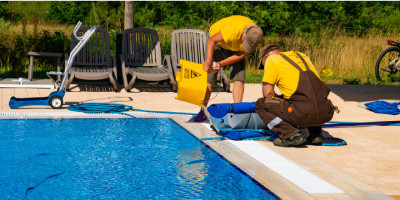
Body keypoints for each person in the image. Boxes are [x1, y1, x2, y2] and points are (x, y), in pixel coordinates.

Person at [255, 44, 337, 147]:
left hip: (302, 114)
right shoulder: (301, 56)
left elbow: (268, 94)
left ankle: (291, 134)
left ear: (265, 57)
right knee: (311, 98)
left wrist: (280, 101)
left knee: (261, 104)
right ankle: (316, 134)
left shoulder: (271, 60)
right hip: (326, 113)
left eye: (263, 65)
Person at [194, 15, 263, 122]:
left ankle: (237, 112)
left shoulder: (255, 36)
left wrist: (220, 64)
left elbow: (241, 54)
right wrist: (209, 61)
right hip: (216, 42)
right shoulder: (233, 30)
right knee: (209, 77)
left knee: (240, 77)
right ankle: (202, 111)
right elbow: (212, 40)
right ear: (244, 33)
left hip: (233, 47)